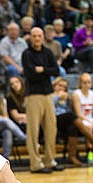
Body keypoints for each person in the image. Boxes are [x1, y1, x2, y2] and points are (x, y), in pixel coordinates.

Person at [22, 27, 64, 173]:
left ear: (43, 37)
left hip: (48, 95)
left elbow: (56, 70)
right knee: (33, 131)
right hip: (33, 95)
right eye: (34, 36)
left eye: (39, 35)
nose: (37, 38)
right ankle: (35, 164)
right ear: (31, 38)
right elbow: (30, 74)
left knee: (52, 129)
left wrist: (42, 70)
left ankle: (49, 160)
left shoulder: (48, 52)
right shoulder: (26, 54)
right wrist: (46, 71)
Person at [52, 76, 93, 166]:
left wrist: (66, 100)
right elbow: (50, 107)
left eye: (64, 87)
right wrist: (58, 97)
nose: (62, 88)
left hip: (67, 122)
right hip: (54, 119)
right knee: (70, 115)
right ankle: (91, 138)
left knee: (73, 128)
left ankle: (72, 156)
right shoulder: (50, 95)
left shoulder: (66, 97)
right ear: (55, 85)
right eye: (60, 85)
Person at [72, 72, 93, 163]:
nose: (87, 85)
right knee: (89, 127)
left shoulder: (92, 94)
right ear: (80, 83)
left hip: (90, 118)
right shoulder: (76, 94)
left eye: (88, 82)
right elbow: (78, 113)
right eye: (84, 82)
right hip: (81, 119)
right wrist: (90, 122)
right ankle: (90, 153)